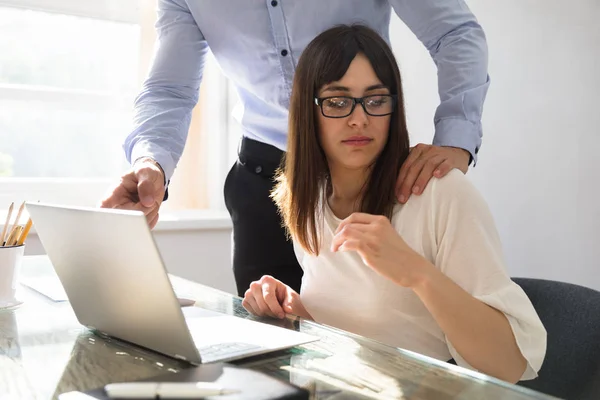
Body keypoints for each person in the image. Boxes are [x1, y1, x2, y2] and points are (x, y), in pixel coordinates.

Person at [99, 1, 490, 296]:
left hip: (363, 178)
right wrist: (151, 161)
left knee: (383, 340)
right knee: (272, 350)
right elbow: (170, 87)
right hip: (264, 181)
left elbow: (453, 33)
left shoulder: (445, 201)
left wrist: (456, 138)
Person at [241, 25, 546, 383]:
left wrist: (415, 272)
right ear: (308, 112)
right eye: (337, 102)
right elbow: (366, 333)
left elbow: (510, 365)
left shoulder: (439, 194)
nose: (359, 119)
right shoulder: (308, 197)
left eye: (376, 100)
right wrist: (294, 309)